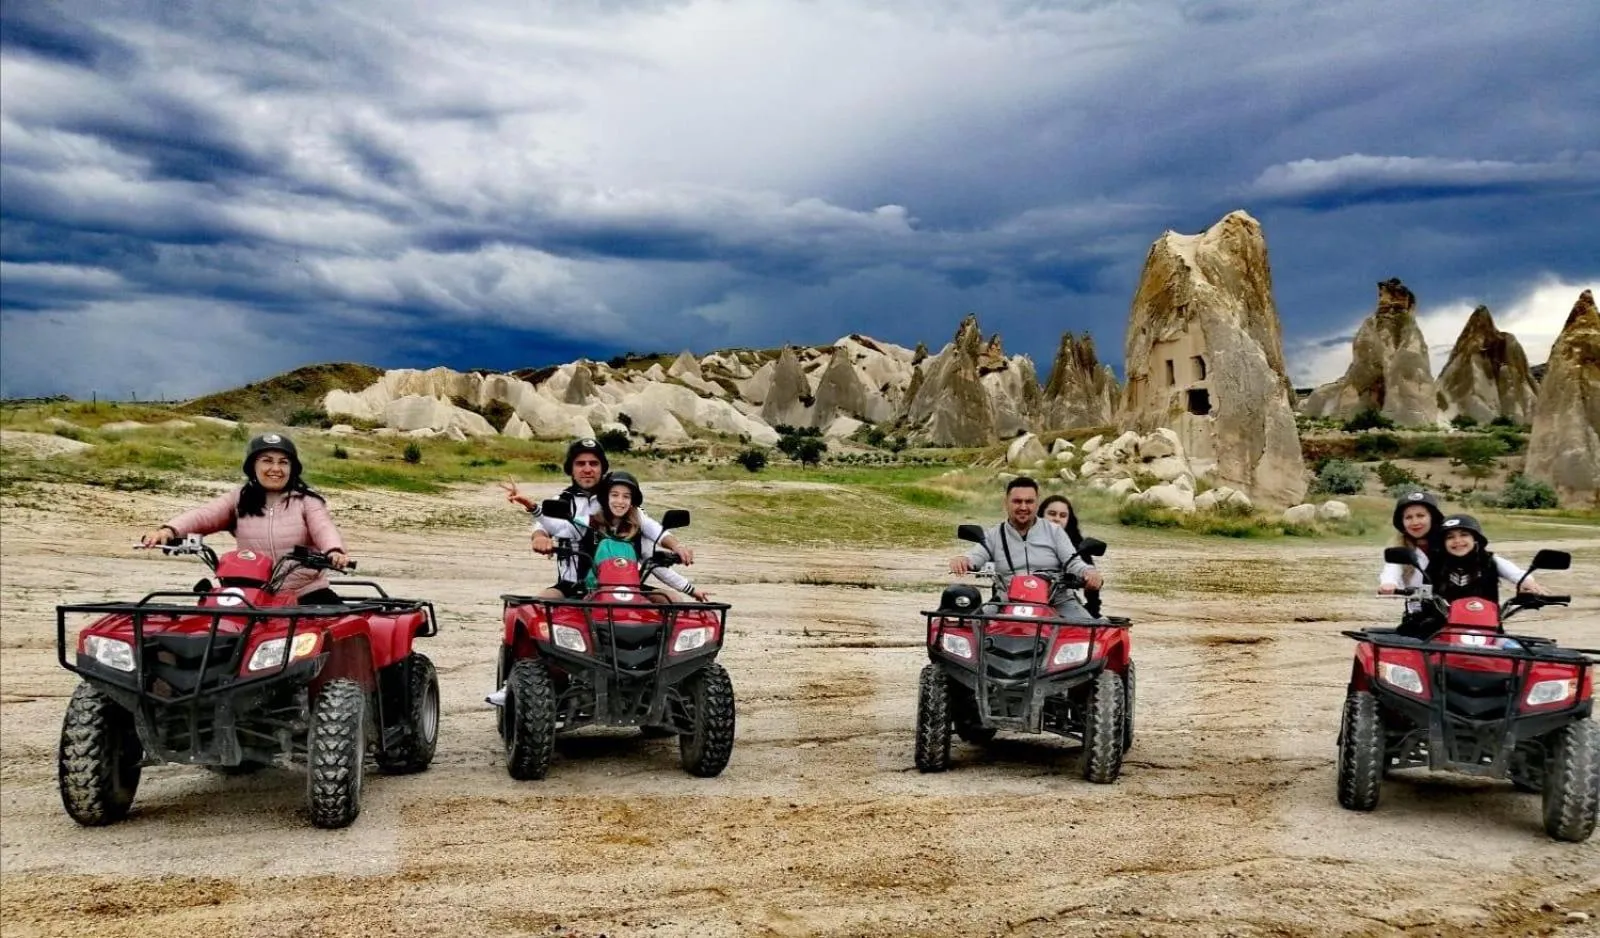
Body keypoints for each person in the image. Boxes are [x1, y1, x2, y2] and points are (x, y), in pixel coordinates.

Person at [139, 433, 350, 603]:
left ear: (292, 469)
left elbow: (323, 527)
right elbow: (204, 515)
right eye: (267, 461)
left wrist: (333, 551)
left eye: (283, 462)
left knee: (337, 634)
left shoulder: (308, 501)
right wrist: (168, 531)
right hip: (253, 594)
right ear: (253, 467)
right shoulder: (239, 499)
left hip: (305, 592)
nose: (276, 469)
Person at [500, 438, 693, 599]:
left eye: (593, 463)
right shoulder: (563, 502)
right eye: (580, 463)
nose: (587, 469)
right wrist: (539, 536)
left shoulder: (619, 500)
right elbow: (548, 526)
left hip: (623, 586)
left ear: (602, 468)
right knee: (540, 604)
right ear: (571, 469)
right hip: (574, 585)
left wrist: (677, 547)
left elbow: (651, 529)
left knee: (671, 601)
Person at [950, 477, 1104, 622]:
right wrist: (963, 560)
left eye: (1029, 502)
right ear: (1006, 503)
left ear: (1037, 504)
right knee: (971, 629)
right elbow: (976, 556)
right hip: (1007, 602)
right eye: (1017, 501)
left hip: (1056, 601)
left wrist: (1089, 572)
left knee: (1091, 635)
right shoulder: (994, 535)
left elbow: (1073, 562)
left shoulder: (1055, 532)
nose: (1023, 507)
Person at [1429, 514, 1546, 605]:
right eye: (1450, 537)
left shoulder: (1489, 560)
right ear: (1443, 543)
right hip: (1443, 630)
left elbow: (1516, 574)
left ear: (1475, 538)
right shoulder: (1435, 564)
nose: (1457, 540)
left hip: (1487, 629)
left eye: (1464, 534)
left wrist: (1527, 583)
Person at [1037, 494, 1101, 617]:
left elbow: (1091, 584)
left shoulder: (1079, 547)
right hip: (1022, 597)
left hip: (1061, 599)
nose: (1057, 519)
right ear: (1041, 515)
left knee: (1087, 626)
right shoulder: (1024, 539)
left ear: (1068, 519)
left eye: (1062, 515)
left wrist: (1093, 611)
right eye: (1051, 513)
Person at [1377, 491, 1445, 594]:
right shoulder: (1401, 547)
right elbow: (1392, 568)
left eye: (1420, 516)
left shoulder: (1448, 543)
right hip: (1417, 606)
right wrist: (1388, 582)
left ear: (1433, 518)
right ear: (1402, 522)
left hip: (1453, 605)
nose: (1415, 522)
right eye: (1408, 517)